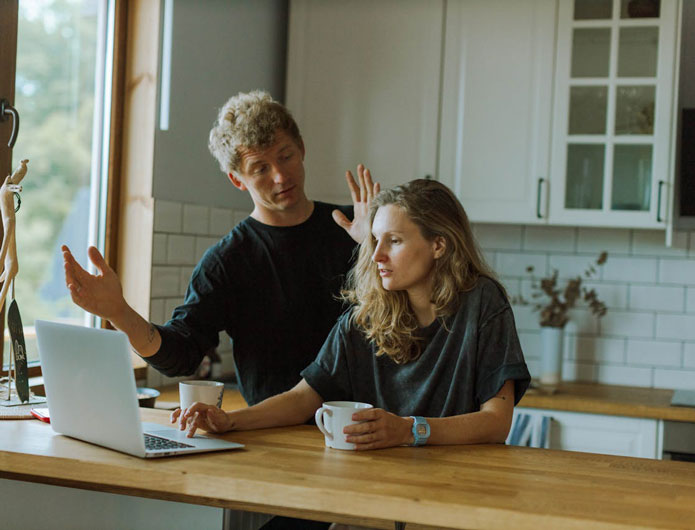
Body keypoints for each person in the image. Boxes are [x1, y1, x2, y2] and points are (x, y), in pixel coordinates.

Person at [62, 90, 378, 410]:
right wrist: (119, 313)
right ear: (237, 180)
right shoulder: (228, 262)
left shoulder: (355, 228)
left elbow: (410, 316)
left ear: (302, 149)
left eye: (285, 156)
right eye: (260, 168)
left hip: (370, 422)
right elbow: (182, 357)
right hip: (275, 432)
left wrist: (374, 246)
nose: (281, 176)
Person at [174, 179, 531, 451]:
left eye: (394, 241)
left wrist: (409, 429)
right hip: (377, 485)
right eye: (374, 241)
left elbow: (496, 423)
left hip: (458, 484)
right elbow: (303, 398)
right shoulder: (366, 316)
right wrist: (229, 421)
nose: (376, 256)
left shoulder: (482, 302)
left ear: (438, 244)